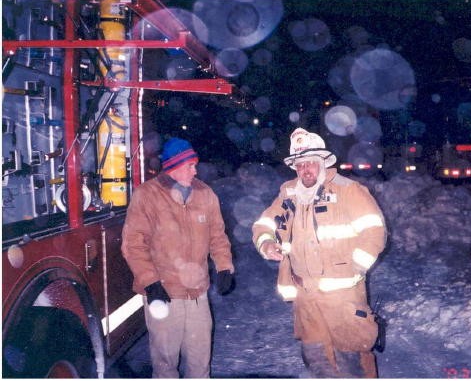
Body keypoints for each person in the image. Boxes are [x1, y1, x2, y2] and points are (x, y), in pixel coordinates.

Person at [252, 128, 387, 378]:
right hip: (306, 299)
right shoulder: (289, 194)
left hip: (342, 299)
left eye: (311, 163)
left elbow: (374, 232)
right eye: (300, 164)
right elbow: (265, 224)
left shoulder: (348, 191)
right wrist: (267, 243)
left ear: (323, 163)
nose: (306, 170)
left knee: (352, 361)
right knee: (317, 360)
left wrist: (353, 269)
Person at [122, 137, 234, 378]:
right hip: (163, 292)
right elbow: (133, 244)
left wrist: (224, 267)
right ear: (174, 166)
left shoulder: (205, 194)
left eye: (195, 165)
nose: (196, 170)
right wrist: (151, 283)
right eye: (190, 165)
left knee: (200, 359)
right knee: (165, 362)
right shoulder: (147, 195)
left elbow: (218, 236)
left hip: (197, 294)